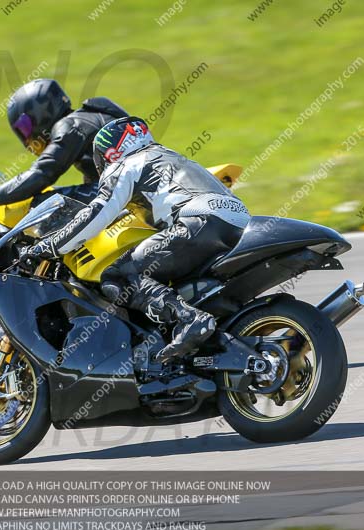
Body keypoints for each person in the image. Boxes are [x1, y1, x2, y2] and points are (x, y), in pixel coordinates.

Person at [22, 117, 251, 363]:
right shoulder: (166, 155)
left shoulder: (126, 165)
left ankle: (188, 319)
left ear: (109, 152)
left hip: (198, 222)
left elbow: (97, 213)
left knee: (117, 275)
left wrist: (50, 245)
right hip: (240, 222)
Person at [0, 78, 128, 212]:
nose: (27, 137)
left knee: (44, 205)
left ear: (40, 114)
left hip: (125, 191)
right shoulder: (89, 118)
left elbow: (40, 174)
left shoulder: (71, 126)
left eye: (25, 127)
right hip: (132, 186)